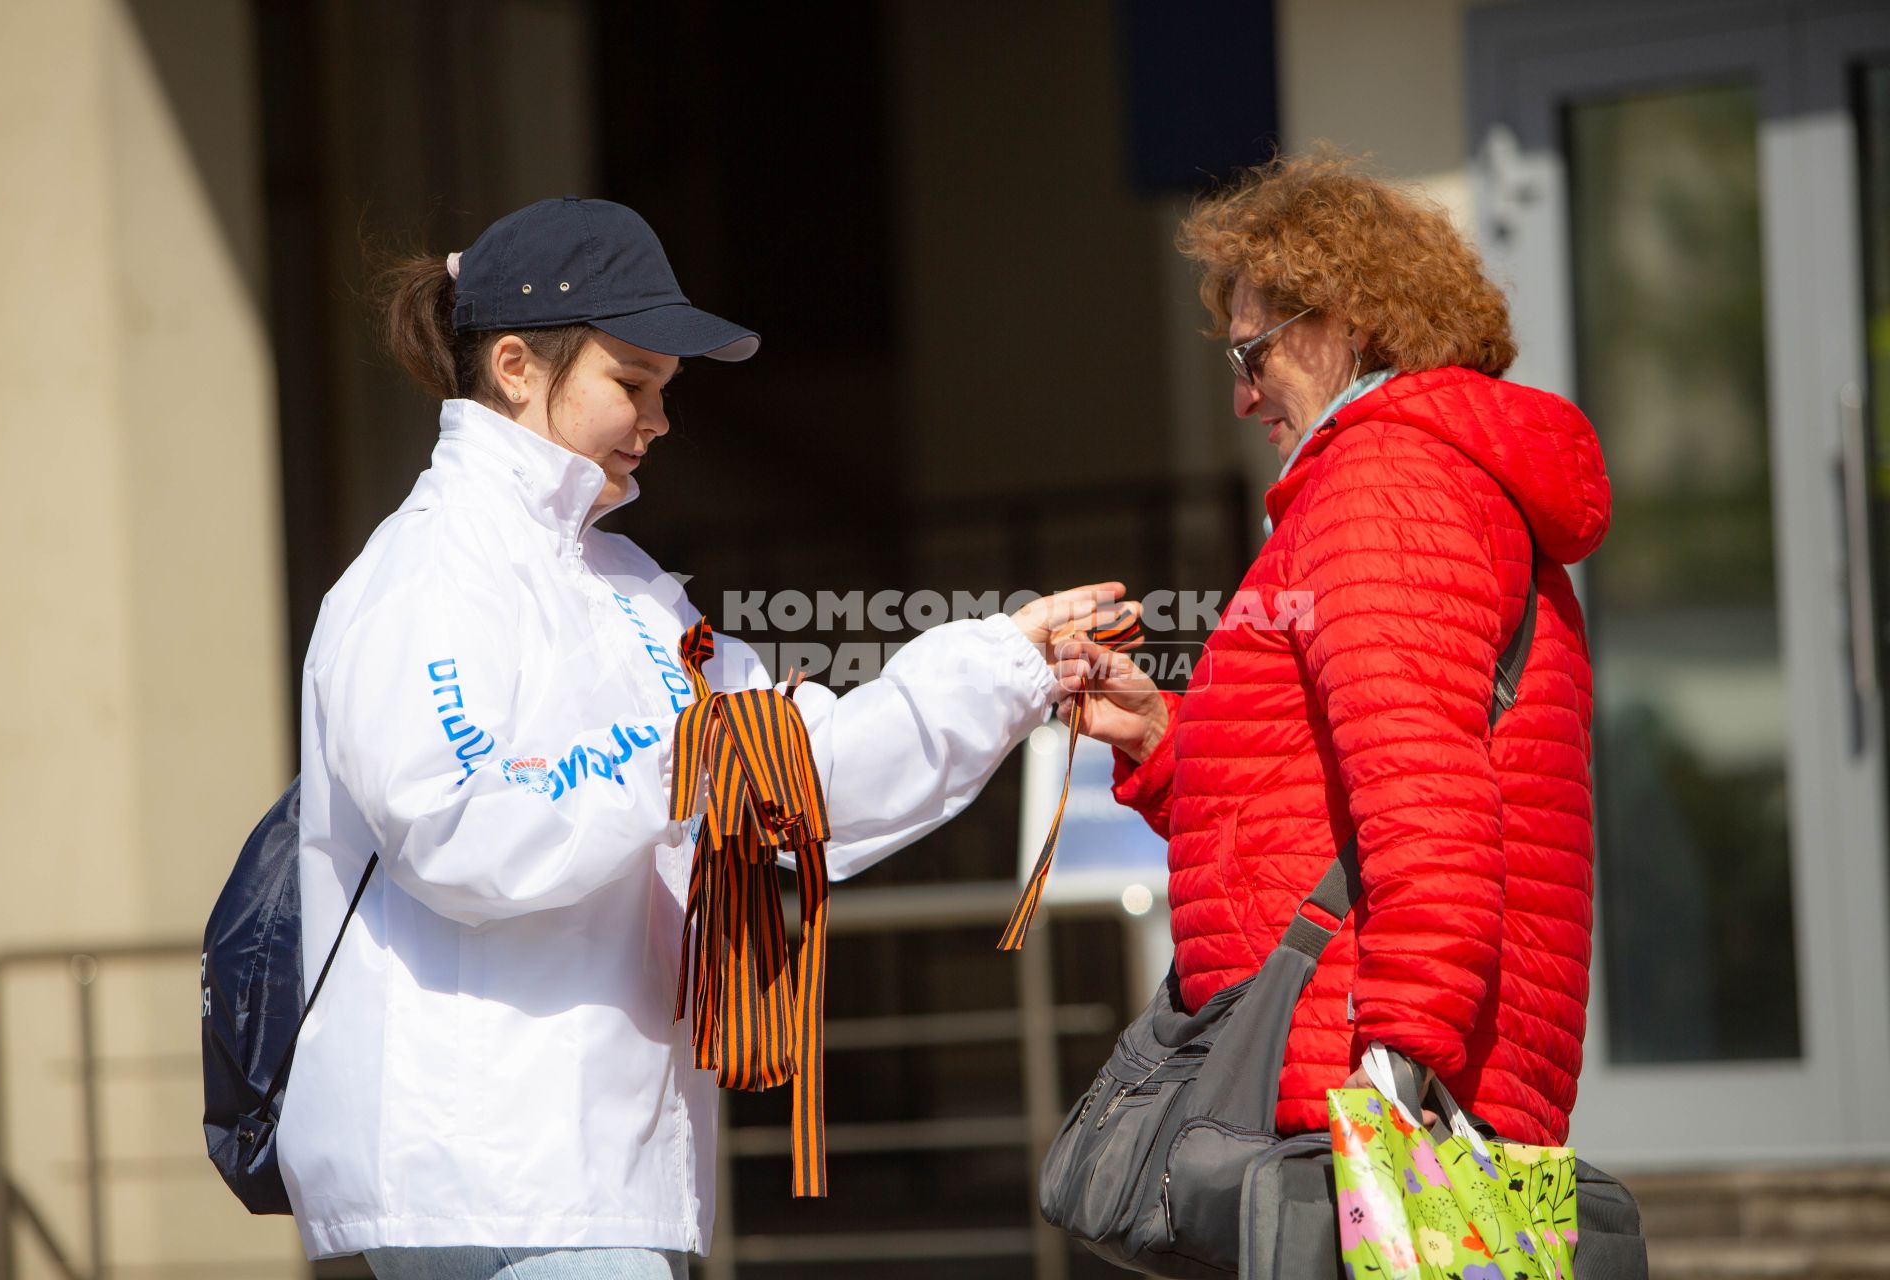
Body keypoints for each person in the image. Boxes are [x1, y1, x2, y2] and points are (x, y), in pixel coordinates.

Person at [281, 196, 1121, 1279]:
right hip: (492, 1161)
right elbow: (456, 828)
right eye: (631, 383)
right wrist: (688, 766)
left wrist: (1003, 665)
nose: (657, 420)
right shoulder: (427, 572)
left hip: (600, 1170)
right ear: (514, 368)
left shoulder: (631, 588)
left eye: (664, 392)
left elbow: (802, 772)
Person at [1056, 149, 1611, 1147]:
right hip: (1359, 1068)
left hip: (1364, 1095)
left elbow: (1425, 803)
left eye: (1251, 355)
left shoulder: (1384, 484)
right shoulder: (1412, 480)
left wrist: (1397, 1070)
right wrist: (1159, 738)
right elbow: (1310, 808)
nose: (1242, 397)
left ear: (1347, 323)